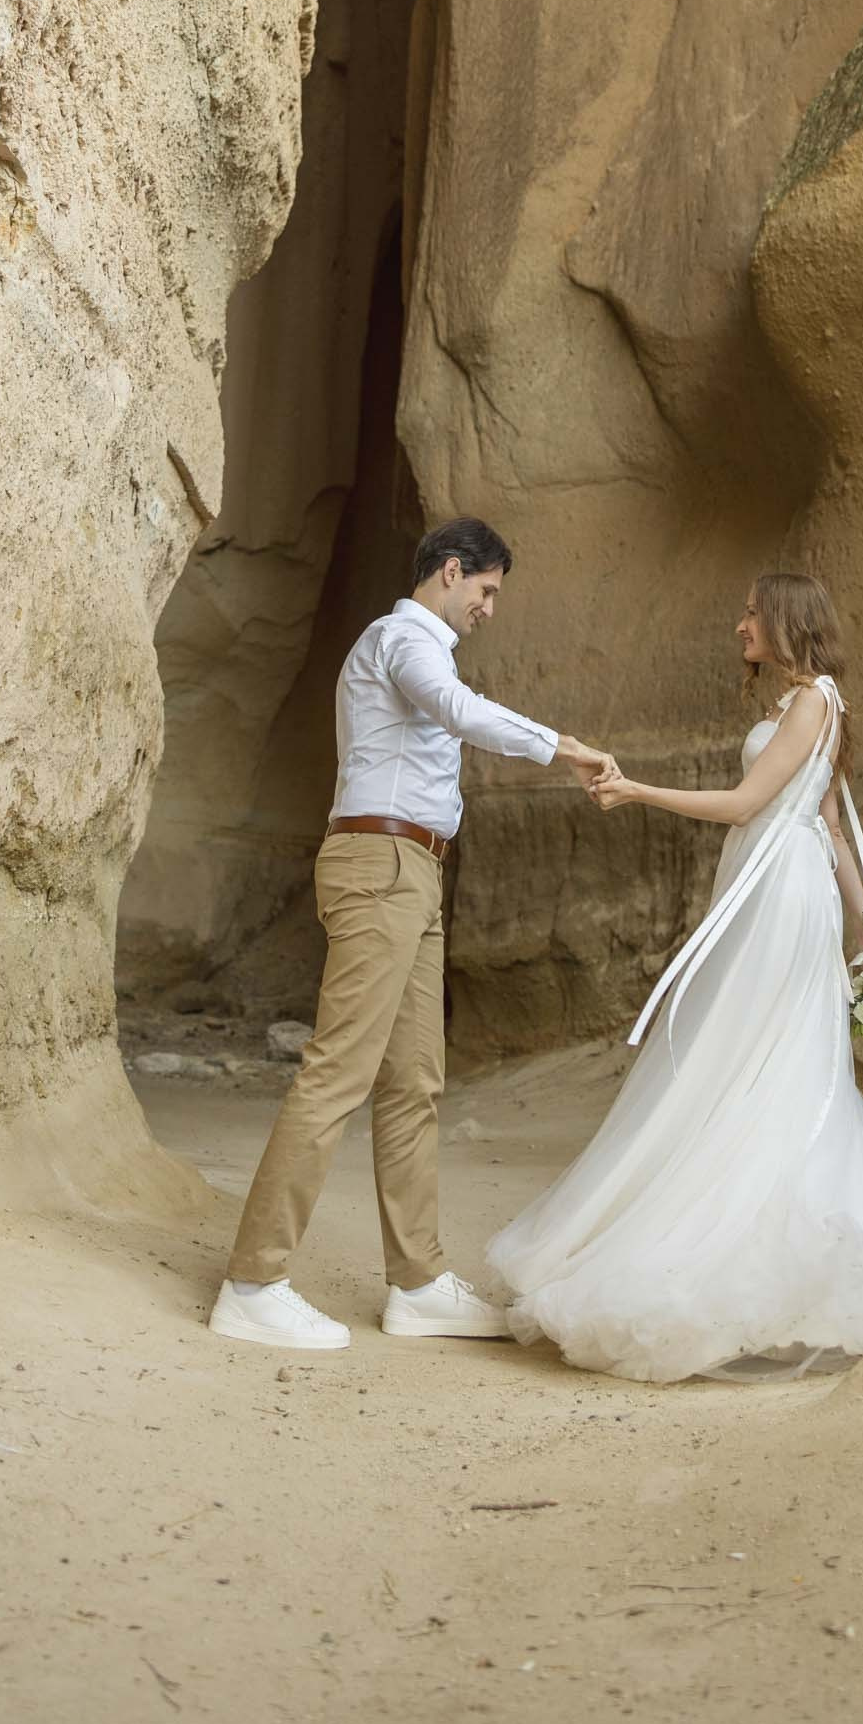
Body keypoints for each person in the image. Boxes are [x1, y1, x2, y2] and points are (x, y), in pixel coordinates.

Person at [486, 570, 863, 1382]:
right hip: (778, 889)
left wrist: (636, 789)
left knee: (748, 1061)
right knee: (756, 1060)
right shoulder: (806, 703)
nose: (739, 624)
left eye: (749, 613)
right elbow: (833, 828)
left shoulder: (813, 700)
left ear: (785, 619)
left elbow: (751, 807)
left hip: (779, 894)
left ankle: (740, 1260)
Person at [209, 517, 617, 1353]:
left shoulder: (421, 645)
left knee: (413, 1083)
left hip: (414, 870)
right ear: (453, 571)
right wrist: (562, 747)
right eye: (487, 590)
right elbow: (453, 708)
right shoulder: (402, 637)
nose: (490, 608)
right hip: (378, 863)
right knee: (338, 1074)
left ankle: (420, 1284)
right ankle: (252, 1282)